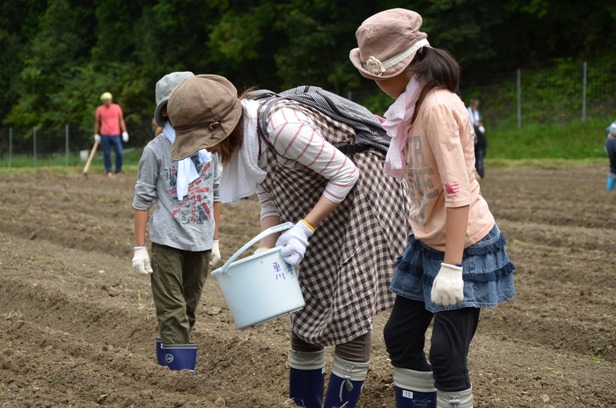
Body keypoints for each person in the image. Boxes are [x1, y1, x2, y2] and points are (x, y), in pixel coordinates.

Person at [166, 75, 412, 407]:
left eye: (201, 141)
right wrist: (263, 253)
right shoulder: (249, 139)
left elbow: (345, 174)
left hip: (362, 199)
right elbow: (271, 201)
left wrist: (305, 228)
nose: (203, 149)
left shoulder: (281, 127)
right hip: (318, 201)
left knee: (348, 311)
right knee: (302, 311)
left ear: (218, 126)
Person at [350, 8, 515, 408]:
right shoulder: (412, 108)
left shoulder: (438, 107)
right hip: (427, 241)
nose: (375, 84)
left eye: (375, 76)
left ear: (399, 69)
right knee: (400, 338)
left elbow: (457, 193)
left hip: (463, 245)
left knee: (445, 353)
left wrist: (454, 267)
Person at [131, 72, 222, 372]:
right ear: (167, 110)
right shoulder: (156, 151)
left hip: (201, 241)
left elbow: (215, 194)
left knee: (189, 310)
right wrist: (139, 248)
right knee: (173, 312)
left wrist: (216, 239)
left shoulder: (209, 150)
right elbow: (142, 199)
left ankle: (171, 366)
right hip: (168, 241)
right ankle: (179, 378)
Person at [94, 92, 129, 176]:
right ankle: (108, 170)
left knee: (119, 153)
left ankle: (118, 170)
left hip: (116, 134)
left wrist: (124, 131)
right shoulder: (100, 109)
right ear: (103, 101)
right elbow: (97, 122)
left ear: (111, 99)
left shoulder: (117, 108)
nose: (107, 101)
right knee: (106, 153)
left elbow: (121, 120)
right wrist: (96, 134)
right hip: (105, 134)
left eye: (109, 99)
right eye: (105, 100)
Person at [467, 99, 487, 178]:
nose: (476, 106)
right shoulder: (467, 111)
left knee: (478, 155)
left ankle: (479, 172)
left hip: (477, 134)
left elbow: (480, 122)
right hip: (470, 132)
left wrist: (481, 127)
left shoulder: (477, 112)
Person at [605, 121, 616, 191]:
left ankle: (609, 190)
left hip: (613, 165)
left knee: (613, 171)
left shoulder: (608, 142)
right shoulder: (612, 143)